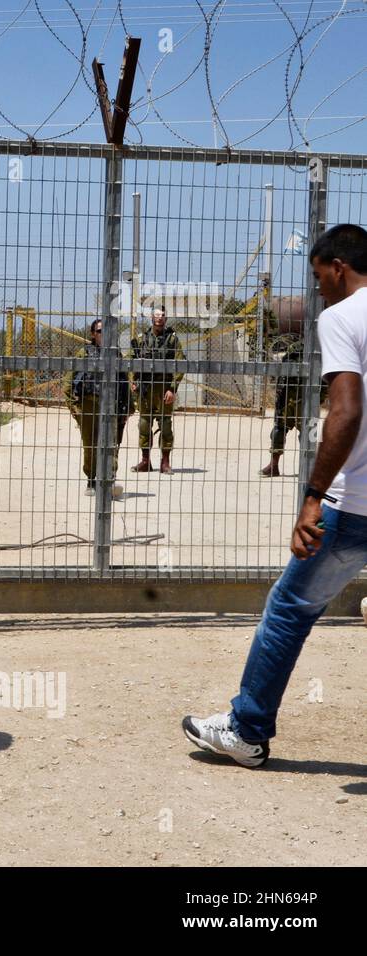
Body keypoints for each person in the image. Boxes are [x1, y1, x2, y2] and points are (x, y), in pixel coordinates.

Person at [184, 223, 367, 766]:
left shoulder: (342, 317)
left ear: (338, 266)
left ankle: (247, 729)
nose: (318, 291)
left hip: (353, 502)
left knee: (290, 607)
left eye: (318, 278)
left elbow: (347, 411)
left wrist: (313, 496)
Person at [259, 297, 327, 478]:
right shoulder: (296, 349)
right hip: (288, 399)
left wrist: (318, 398)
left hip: (307, 399)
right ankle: (273, 465)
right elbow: (282, 373)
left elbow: (326, 379)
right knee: (279, 430)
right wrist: (280, 393)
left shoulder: (320, 352)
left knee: (309, 432)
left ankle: (311, 468)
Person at [64, 319, 131, 497]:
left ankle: (109, 479)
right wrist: (74, 408)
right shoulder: (84, 353)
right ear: (93, 334)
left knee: (112, 444)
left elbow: (124, 381)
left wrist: (128, 409)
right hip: (89, 403)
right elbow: (68, 381)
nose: (104, 334)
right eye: (100, 331)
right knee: (90, 444)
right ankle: (92, 480)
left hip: (112, 404)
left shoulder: (116, 354)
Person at [130, 306, 186, 474]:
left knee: (166, 425)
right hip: (145, 389)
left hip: (164, 389)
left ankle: (165, 462)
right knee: (144, 425)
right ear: (151, 318)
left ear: (166, 319)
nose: (159, 318)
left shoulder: (172, 340)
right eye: (156, 315)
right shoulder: (141, 340)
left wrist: (172, 388)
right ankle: (145, 461)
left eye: (162, 315)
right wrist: (133, 380)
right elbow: (130, 360)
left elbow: (180, 364)